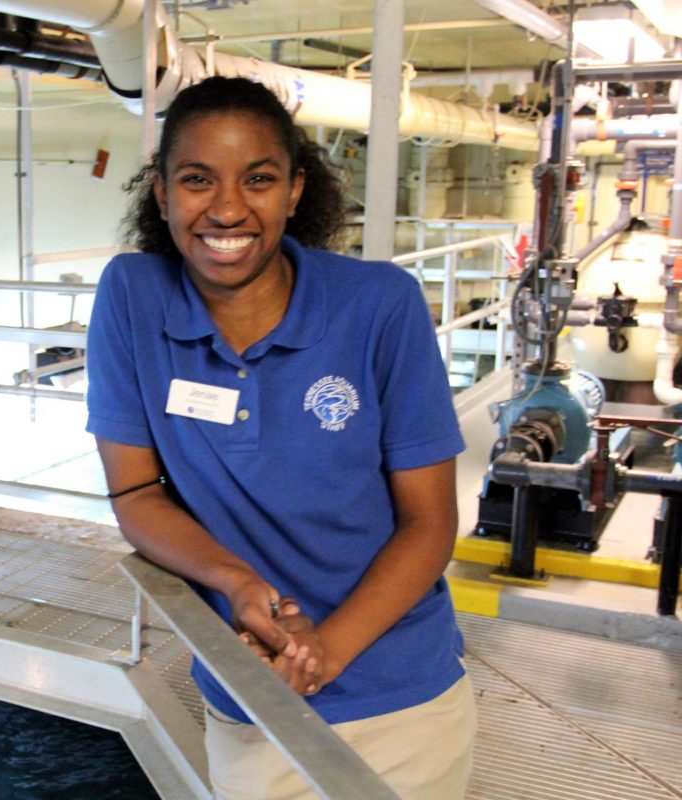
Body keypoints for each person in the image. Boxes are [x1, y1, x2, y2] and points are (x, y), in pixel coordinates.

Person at [84, 75, 476, 800]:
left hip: (405, 701)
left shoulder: (378, 305)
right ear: (162, 194)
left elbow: (429, 524)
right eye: (197, 180)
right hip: (250, 695)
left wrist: (325, 652)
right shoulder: (133, 298)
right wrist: (237, 583)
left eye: (258, 180)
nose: (227, 208)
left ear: (295, 191)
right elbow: (136, 492)